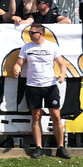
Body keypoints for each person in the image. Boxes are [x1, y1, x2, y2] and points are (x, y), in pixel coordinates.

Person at [14, 24, 71, 159]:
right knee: (36, 116)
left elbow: (62, 63)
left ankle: (61, 147)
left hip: (50, 85)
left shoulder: (52, 46)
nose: (29, 35)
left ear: (40, 33)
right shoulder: (26, 47)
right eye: (29, 32)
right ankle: (38, 147)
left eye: (32, 33)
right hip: (33, 86)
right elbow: (18, 63)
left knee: (56, 116)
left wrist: (63, 74)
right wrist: (16, 69)